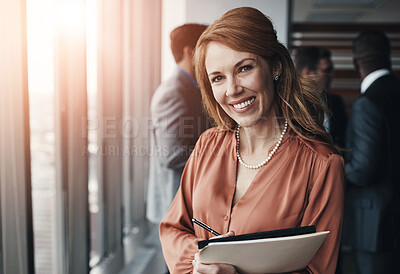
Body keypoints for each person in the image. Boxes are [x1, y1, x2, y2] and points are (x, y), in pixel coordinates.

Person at [159, 7, 345, 274]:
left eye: (244, 68)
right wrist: (200, 263)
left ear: (276, 67)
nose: (232, 89)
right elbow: (173, 228)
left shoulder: (322, 165)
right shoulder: (208, 145)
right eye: (218, 78)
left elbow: (318, 270)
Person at [342, 30, 400, 274]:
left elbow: (363, 171)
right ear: (388, 56)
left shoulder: (367, 104)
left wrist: (334, 166)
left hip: (376, 223)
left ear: (356, 62)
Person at [146, 23, 209, 224]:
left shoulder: (191, 87)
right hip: (176, 207)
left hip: (188, 203)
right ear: (190, 52)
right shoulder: (173, 92)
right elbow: (172, 156)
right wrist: (222, 154)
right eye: (206, 49)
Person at [293, 46, 347, 148]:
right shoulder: (289, 104)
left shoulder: (336, 102)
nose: (331, 75)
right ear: (307, 73)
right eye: (326, 70)